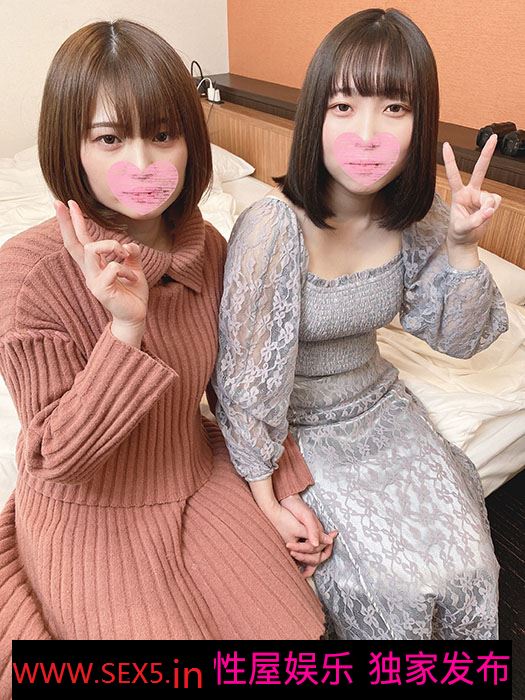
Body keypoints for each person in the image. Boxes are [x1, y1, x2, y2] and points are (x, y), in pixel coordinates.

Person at [0, 19, 331, 693]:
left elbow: (241, 385)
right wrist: (126, 328)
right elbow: (56, 455)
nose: (143, 163)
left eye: (161, 134)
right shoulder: (25, 273)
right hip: (90, 510)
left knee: (296, 637)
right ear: (71, 147)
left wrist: (279, 487)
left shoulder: (209, 249)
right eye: (109, 138)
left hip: (194, 474)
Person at [212, 7, 509, 640]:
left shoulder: (418, 216)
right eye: (343, 106)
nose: (367, 134)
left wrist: (462, 246)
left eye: (394, 108)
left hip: (383, 407)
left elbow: (455, 340)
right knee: (393, 595)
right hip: (300, 429)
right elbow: (245, 386)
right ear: (315, 116)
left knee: (472, 570)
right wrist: (270, 498)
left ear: (419, 122)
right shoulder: (272, 228)